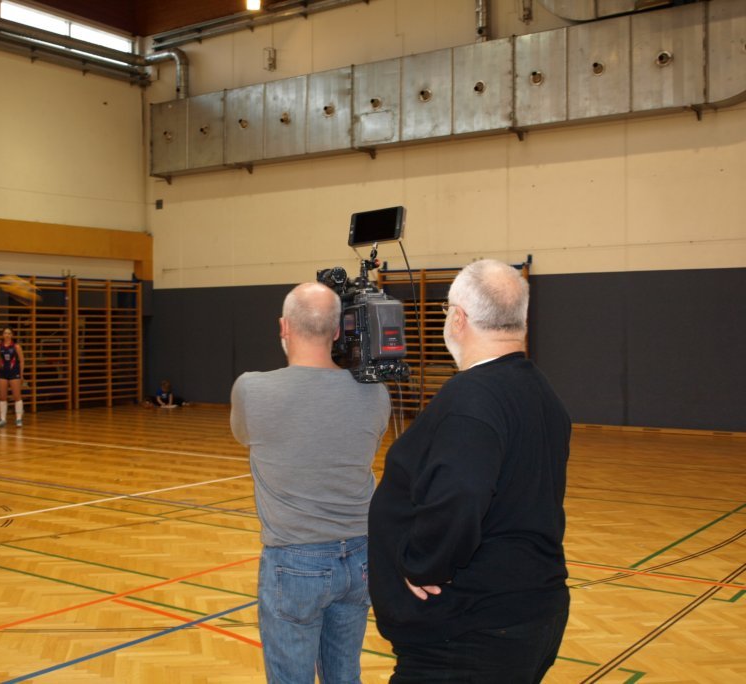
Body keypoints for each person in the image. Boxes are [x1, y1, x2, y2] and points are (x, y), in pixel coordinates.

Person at [368, 259, 571, 684]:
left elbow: (462, 493)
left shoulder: (471, 399)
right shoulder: (540, 389)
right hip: (524, 612)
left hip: (469, 633)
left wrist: (425, 564)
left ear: (458, 319)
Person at [230, 282, 391, 684]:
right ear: (336, 331)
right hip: (361, 557)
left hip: (295, 561)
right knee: (344, 675)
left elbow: (243, 435)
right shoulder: (376, 394)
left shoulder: (252, 388)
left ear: (284, 327)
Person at [0, 327, 25, 428]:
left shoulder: (16, 347)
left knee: (16, 396)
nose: (7, 335)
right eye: (5, 333)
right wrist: (1, 367)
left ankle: (18, 418)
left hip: (14, 373)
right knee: (2, 396)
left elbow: (21, 361)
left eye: (9, 333)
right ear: (2, 335)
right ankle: (3, 419)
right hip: (3, 373)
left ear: (12, 335)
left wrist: (21, 374)